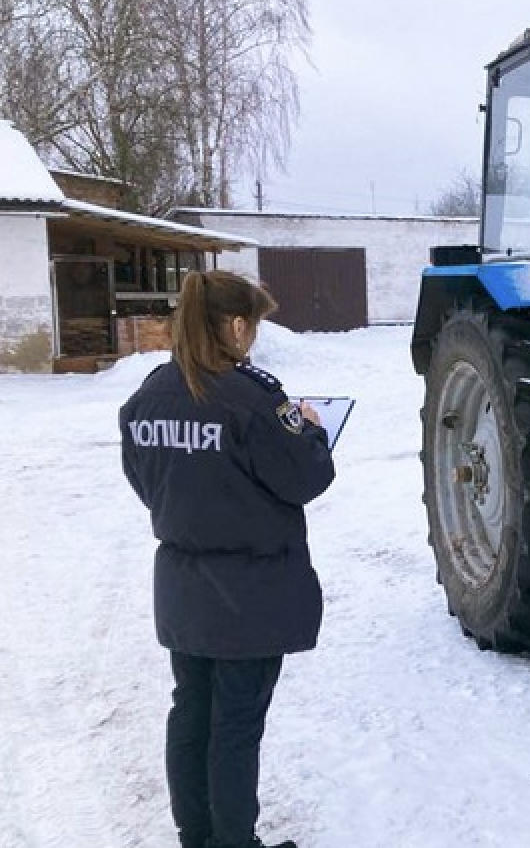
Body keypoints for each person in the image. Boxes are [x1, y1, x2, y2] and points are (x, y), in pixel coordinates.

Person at [119, 270, 335, 848]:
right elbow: (307, 477)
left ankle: (198, 835)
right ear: (238, 325)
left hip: (184, 586)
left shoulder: (147, 398)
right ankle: (234, 842)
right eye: (254, 325)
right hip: (250, 593)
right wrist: (312, 432)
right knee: (235, 723)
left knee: (191, 712)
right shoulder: (256, 400)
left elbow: (145, 483)